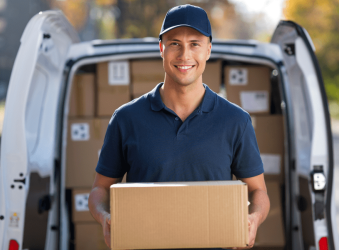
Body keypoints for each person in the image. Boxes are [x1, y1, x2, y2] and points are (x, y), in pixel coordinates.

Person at [88, 4, 270, 249]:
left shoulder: (235, 121)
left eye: (195, 44)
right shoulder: (126, 119)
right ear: (161, 49)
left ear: (208, 50)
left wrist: (253, 218)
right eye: (175, 43)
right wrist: (105, 217)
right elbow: (100, 189)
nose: (185, 55)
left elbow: (258, 191)